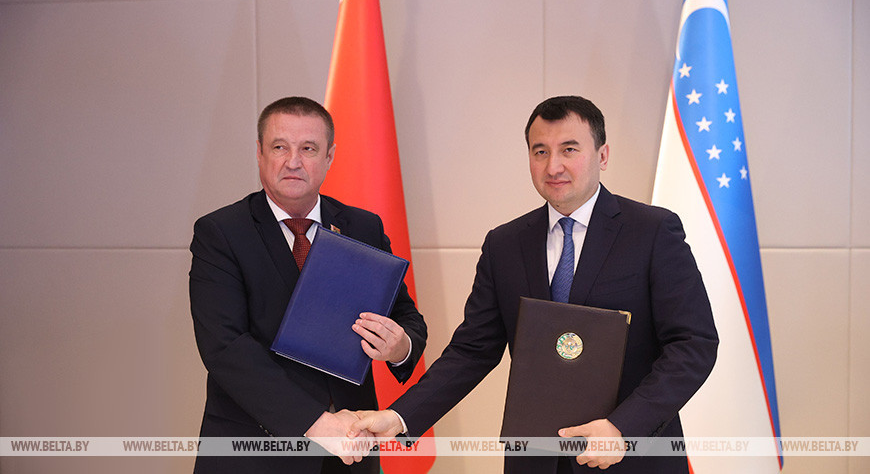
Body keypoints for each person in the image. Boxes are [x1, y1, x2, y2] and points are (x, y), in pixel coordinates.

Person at [348, 95, 718, 473]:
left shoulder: (652, 231)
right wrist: (399, 417)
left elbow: (694, 344)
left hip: (630, 459)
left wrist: (625, 428)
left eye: (569, 149)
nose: (553, 166)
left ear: (603, 155)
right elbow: (472, 352)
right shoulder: (505, 245)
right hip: (534, 461)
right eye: (540, 151)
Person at [189, 96, 427, 474]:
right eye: (279, 147)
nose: (293, 161)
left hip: (350, 453)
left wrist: (400, 347)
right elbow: (225, 346)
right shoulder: (220, 233)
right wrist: (316, 423)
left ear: (329, 157)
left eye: (308, 149)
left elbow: (406, 317)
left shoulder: (363, 227)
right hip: (254, 455)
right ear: (259, 153)